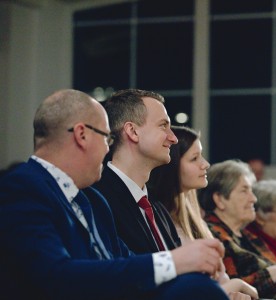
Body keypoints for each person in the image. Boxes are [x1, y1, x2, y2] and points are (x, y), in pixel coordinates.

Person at [0, 89, 228, 300]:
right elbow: (54, 276)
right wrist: (173, 261)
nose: (109, 148)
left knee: (198, 287)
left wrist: (191, 264)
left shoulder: (93, 200)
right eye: (107, 138)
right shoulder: (21, 187)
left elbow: (124, 262)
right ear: (82, 135)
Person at [91, 89, 229, 296]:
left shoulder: (156, 207)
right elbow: (116, 280)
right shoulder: (98, 199)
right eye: (163, 126)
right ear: (133, 131)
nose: (173, 138)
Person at [148, 126, 258, 299]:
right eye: (194, 158)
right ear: (172, 166)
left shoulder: (192, 219)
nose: (205, 164)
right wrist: (237, 285)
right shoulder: (158, 223)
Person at [200, 159, 276, 299]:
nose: (253, 199)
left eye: (251, 190)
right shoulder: (209, 235)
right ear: (220, 200)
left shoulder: (249, 236)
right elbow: (230, 290)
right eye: (244, 191)